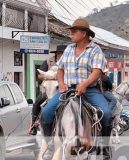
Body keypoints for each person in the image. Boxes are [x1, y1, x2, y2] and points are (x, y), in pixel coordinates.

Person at [39, 18, 113, 159]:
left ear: (84, 33)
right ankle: (50, 146)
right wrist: (61, 84)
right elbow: (60, 70)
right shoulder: (68, 49)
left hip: (90, 90)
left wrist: (84, 84)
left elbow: (97, 72)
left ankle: (104, 148)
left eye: (74, 31)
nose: (71, 34)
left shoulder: (95, 49)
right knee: (46, 113)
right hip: (68, 90)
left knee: (107, 114)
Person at [29, 45, 67, 135]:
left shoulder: (68, 62)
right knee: (38, 102)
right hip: (48, 88)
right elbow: (39, 75)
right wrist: (50, 76)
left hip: (62, 87)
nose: (60, 55)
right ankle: (34, 124)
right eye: (59, 53)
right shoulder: (48, 61)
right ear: (56, 54)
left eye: (62, 53)